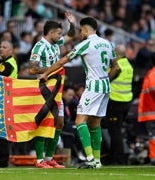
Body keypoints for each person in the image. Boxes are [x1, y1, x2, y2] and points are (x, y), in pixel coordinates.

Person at [38, 17, 117, 169]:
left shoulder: (85, 44)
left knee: (79, 121)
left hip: (93, 86)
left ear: (86, 30)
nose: (80, 33)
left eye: (81, 30)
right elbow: (116, 67)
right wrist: (106, 79)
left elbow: (63, 61)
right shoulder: (108, 44)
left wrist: (46, 73)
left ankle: (89, 159)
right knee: (95, 123)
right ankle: (97, 160)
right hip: (105, 86)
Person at [28, 11, 76, 168]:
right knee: (44, 123)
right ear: (51, 33)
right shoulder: (39, 47)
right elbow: (32, 69)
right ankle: (39, 160)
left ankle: (49, 158)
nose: (61, 36)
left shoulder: (56, 43)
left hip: (57, 88)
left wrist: (72, 24)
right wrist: (52, 69)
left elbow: (71, 35)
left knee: (59, 123)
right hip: (44, 89)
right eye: (58, 33)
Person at [105, 44, 133, 165]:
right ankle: (112, 157)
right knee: (116, 130)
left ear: (116, 54)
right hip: (126, 102)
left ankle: (120, 159)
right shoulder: (128, 65)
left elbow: (107, 78)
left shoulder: (117, 65)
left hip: (116, 101)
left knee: (115, 131)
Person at [0, 40, 18, 168]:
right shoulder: (3, 63)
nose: (1, 49)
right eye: (0, 46)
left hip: (4, 102)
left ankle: (2, 161)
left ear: (11, 51)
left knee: (1, 133)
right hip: (2, 101)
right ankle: (1, 161)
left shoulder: (8, 64)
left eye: (4, 47)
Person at [138, 52, 155, 165]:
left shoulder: (152, 73)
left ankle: (154, 158)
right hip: (151, 111)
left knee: (153, 135)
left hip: (151, 112)